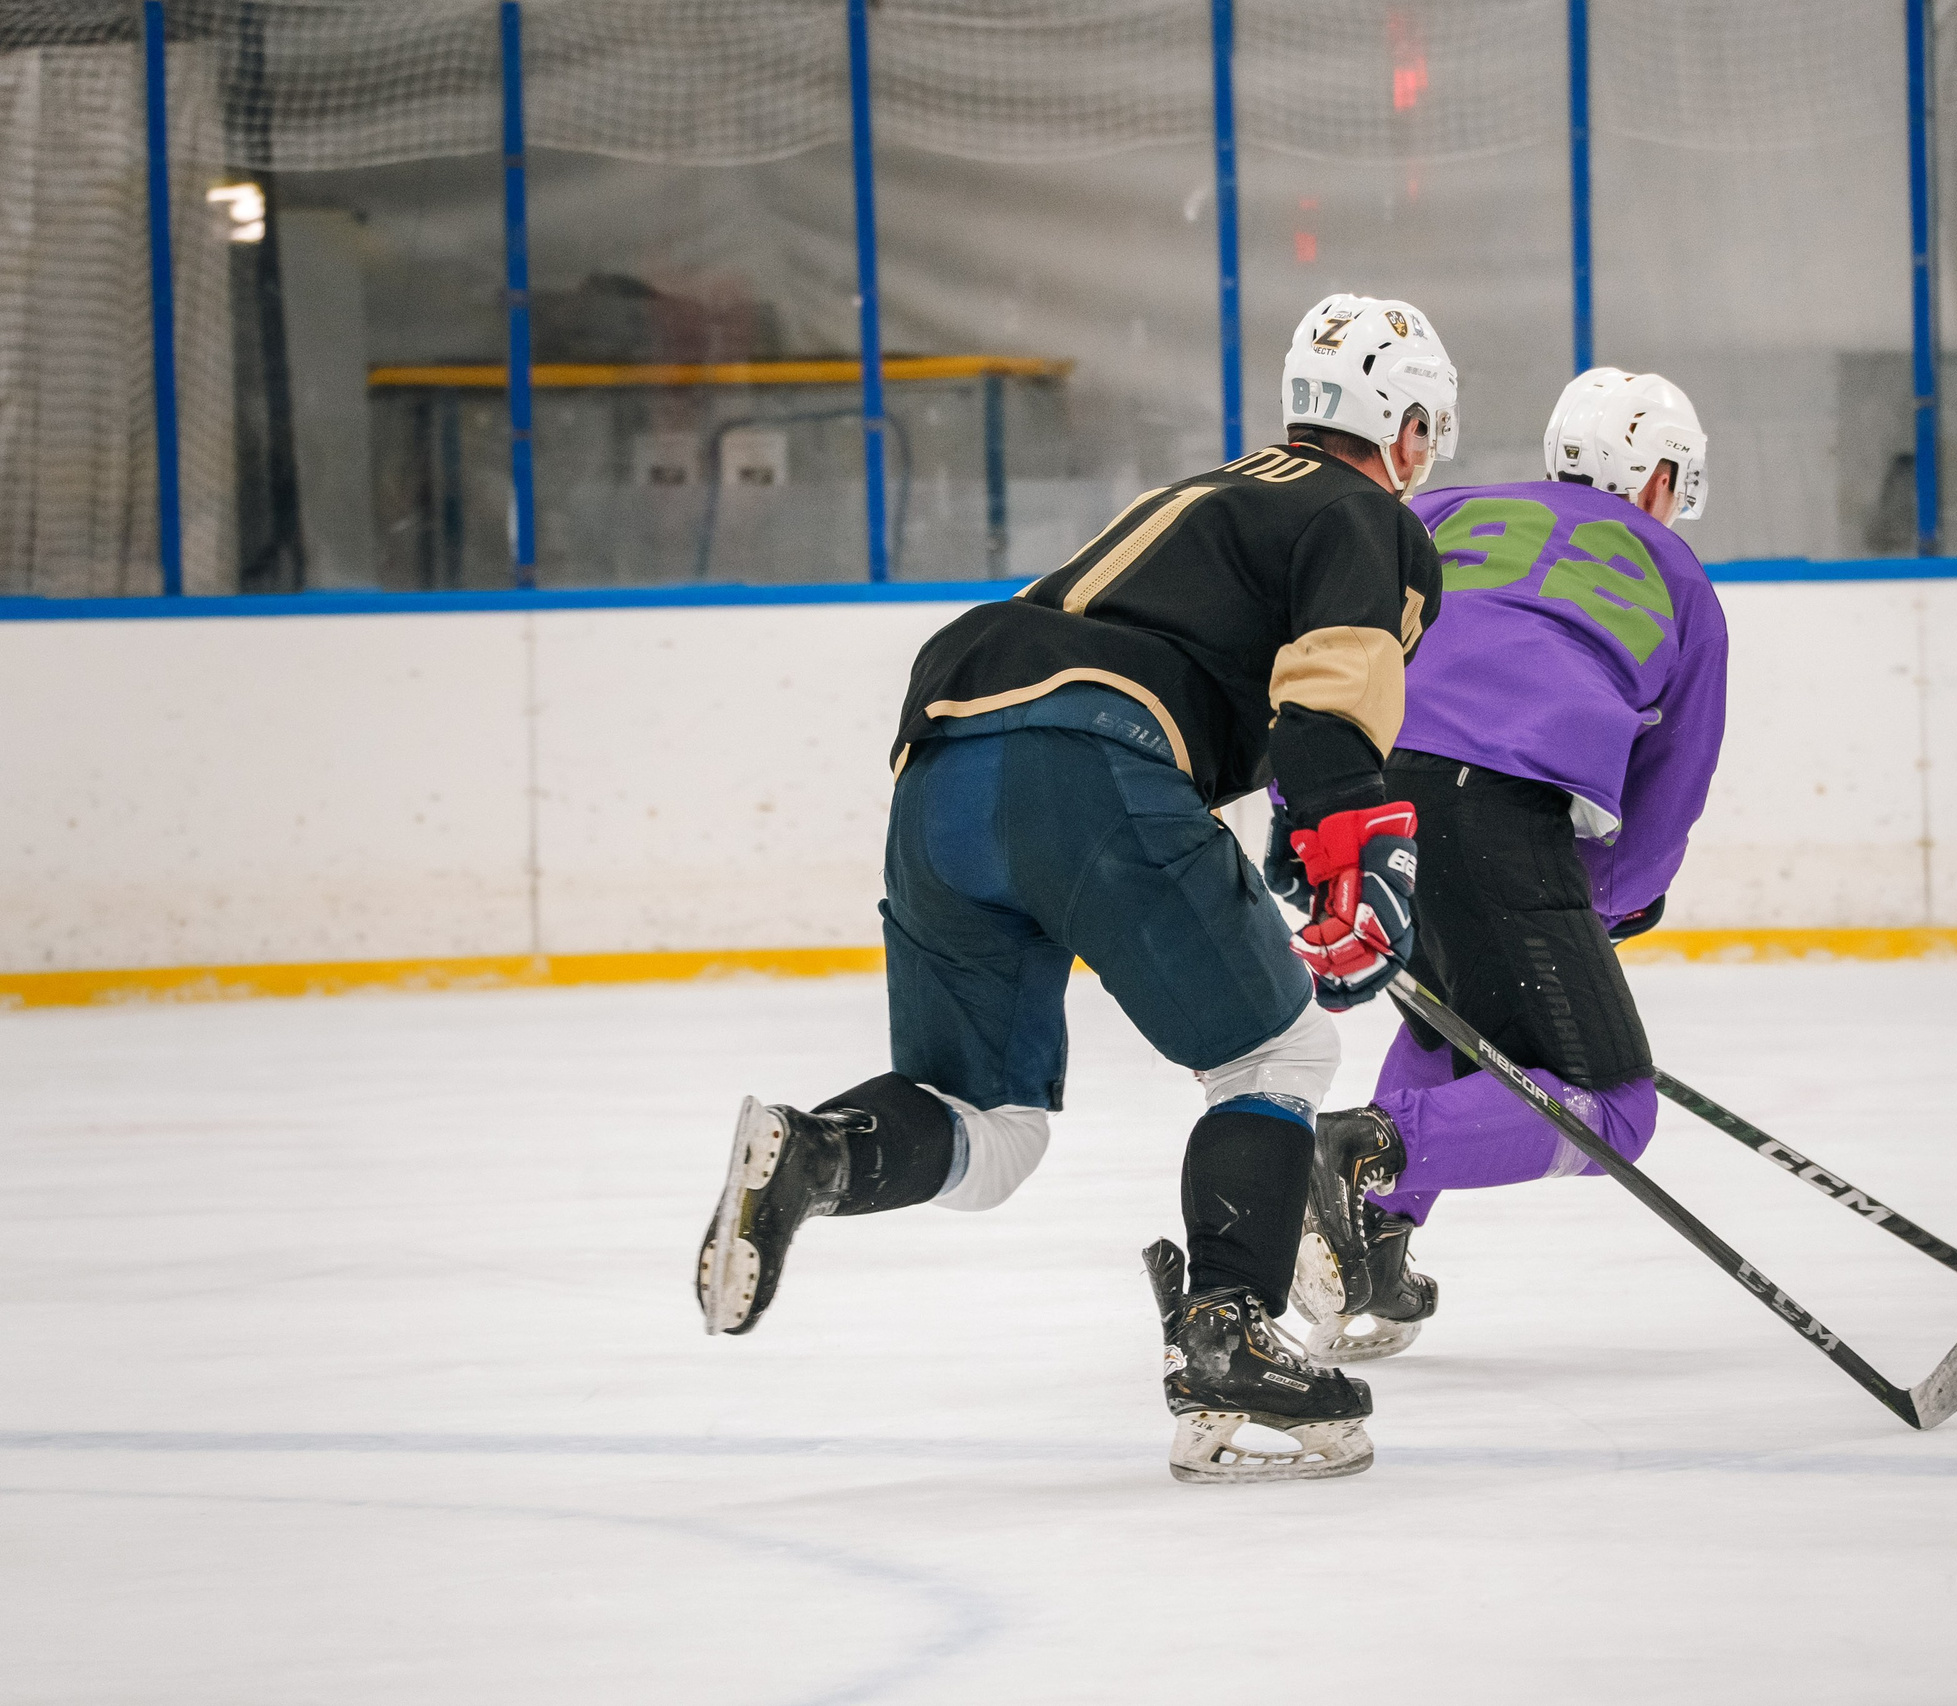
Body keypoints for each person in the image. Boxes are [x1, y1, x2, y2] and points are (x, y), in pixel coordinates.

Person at [695, 293, 1456, 1484]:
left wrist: (1289, 833)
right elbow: (1324, 696)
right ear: (1405, 425)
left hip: (945, 753)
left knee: (989, 1129)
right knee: (1278, 1057)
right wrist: (1356, 840)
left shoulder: (1197, 494)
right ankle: (1230, 1332)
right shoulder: (1362, 514)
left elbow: (1197, 670)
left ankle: (816, 1152)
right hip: (1093, 758)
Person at [1270, 367, 1729, 1364]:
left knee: (1468, 1018)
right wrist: (1601, 906)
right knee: (1614, 1108)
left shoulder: (1435, 507)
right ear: (1656, 478)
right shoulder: (1678, 577)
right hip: (1490, 807)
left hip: (1349, 792)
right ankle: (1365, 1152)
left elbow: (1316, 639)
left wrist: (1299, 812)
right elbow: (1669, 793)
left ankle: (1372, 1248)